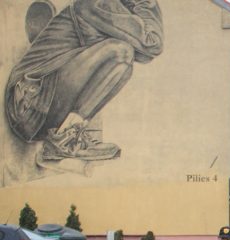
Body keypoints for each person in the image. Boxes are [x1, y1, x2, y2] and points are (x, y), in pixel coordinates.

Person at [5, 0, 164, 162]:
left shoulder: (115, 7)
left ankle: (68, 135)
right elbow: (153, 43)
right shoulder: (97, 3)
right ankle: (63, 139)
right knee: (121, 52)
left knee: (125, 64)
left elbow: (144, 55)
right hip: (30, 103)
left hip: (41, 110)